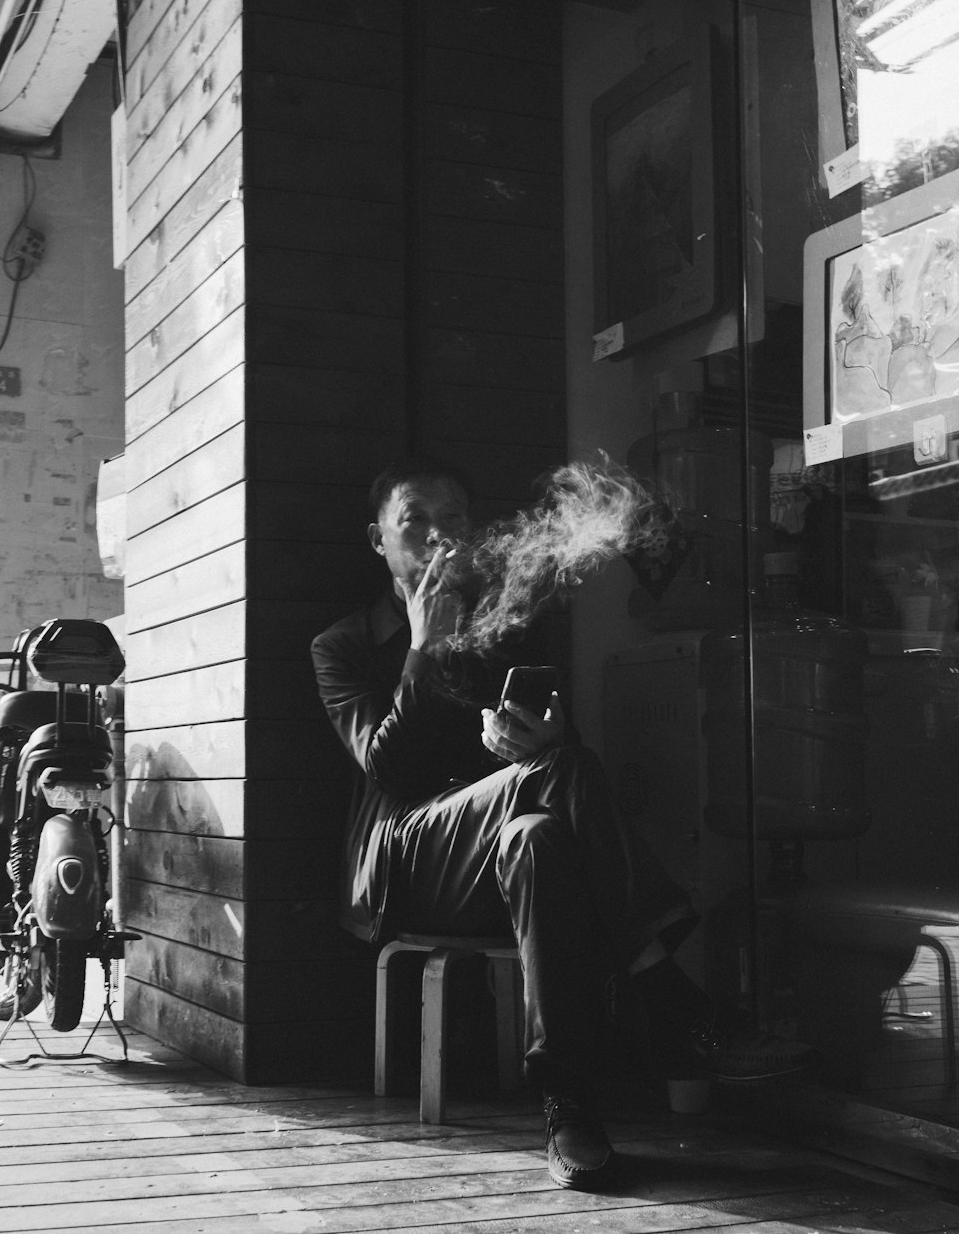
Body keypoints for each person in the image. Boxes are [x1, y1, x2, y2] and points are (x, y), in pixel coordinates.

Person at [311, 457, 814, 1191]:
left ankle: (567, 1105)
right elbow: (385, 769)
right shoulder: (344, 645)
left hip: (505, 858)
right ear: (378, 539)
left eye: (453, 519)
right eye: (414, 520)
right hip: (410, 861)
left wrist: (542, 749)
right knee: (559, 790)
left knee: (540, 835)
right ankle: (670, 999)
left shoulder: (506, 628)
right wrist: (423, 645)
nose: (437, 536)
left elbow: (566, 774)